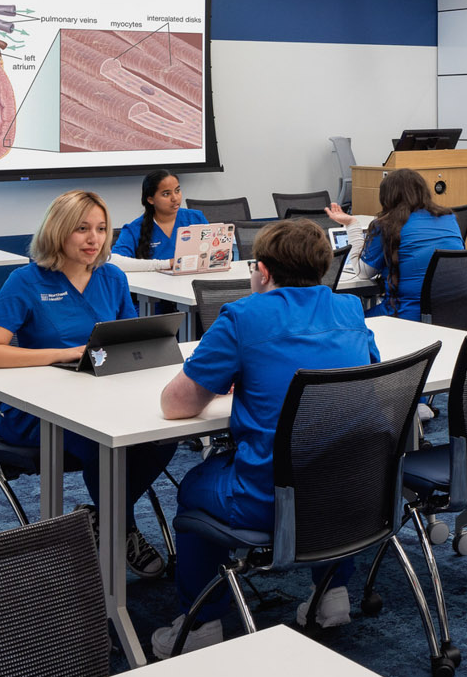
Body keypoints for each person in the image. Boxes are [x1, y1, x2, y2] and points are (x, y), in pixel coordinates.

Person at [152, 219, 383, 655]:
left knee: (195, 485)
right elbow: (360, 377)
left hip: (269, 500)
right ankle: (332, 592)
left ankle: (200, 624)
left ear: (261, 269)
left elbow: (175, 406)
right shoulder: (351, 311)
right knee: (329, 456)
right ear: (324, 266)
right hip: (351, 494)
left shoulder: (244, 315)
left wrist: (240, 369)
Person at [0, 189, 176, 579]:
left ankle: (103, 519)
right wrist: (63, 353)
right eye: (82, 229)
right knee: (103, 440)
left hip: (101, 397)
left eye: (101, 229)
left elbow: (129, 342)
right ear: (58, 232)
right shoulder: (26, 281)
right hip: (34, 411)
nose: (94, 239)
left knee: (164, 434)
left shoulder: (112, 277)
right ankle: (123, 528)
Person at [326, 169, 463, 320]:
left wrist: (352, 224)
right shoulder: (448, 218)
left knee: (345, 321)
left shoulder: (388, 225)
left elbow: (363, 272)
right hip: (457, 313)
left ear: (386, 197)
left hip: (407, 315)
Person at [110, 168, 209, 270]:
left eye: (177, 191)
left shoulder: (196, 218)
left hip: (193, 282)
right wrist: (166, 264)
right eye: (166, 194)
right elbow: (114, 262)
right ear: (151, 199)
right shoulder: (134, 229)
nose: (175, 198)